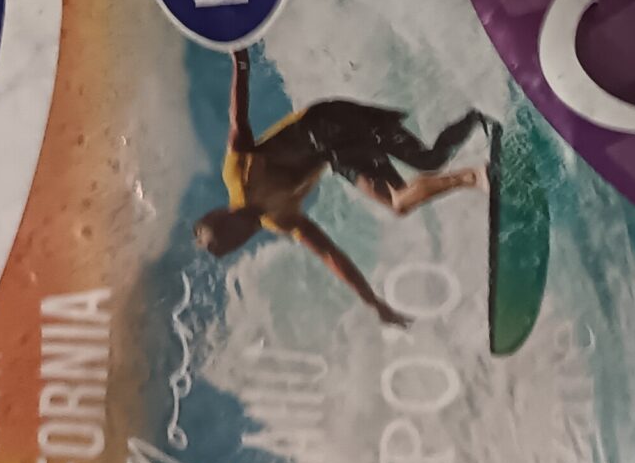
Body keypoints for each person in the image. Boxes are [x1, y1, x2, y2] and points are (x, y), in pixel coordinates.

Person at [192, 50, 494, 327]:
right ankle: (482, 121)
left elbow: (238, 119)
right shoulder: (279, 220)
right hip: (337, 154)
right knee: (418, 177)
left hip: (327, 123)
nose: (241, 236)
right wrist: (373, 302)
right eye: (235, 242)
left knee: (412, 182)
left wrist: (240, 59)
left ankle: (478, 172)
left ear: (222, 214)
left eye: (230, 232)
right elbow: (329, 255)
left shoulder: (237, 177)